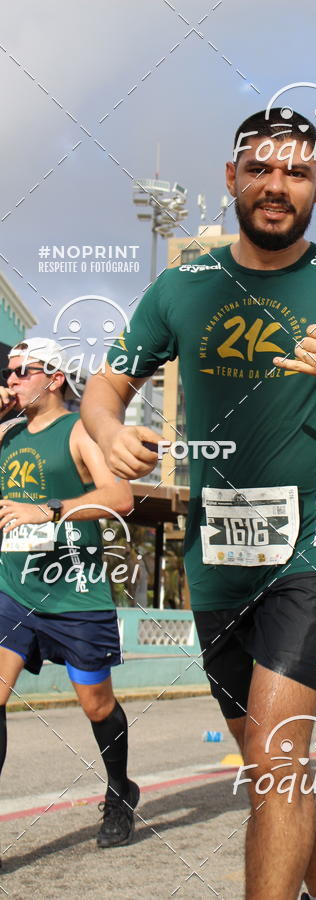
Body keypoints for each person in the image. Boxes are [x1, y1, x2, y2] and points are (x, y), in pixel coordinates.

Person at [81, 108, 316, 900]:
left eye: (295, 171)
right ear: (232, 178)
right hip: (218, 558)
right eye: (259, 168)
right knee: (265, 760)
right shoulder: (182, 288)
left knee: (278, 752)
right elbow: (106, 385)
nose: (276, 184)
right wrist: (109, 431)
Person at [0, 339, 138, 849]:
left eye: (23, 371)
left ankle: (120, 791)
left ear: (55, 378)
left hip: (74, 593)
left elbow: (120, 496)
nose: (12, 380)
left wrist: (49, 509)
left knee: (97, 705)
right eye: (8, 372)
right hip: (13, 587)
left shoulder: (79, 430)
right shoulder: (7, 433)